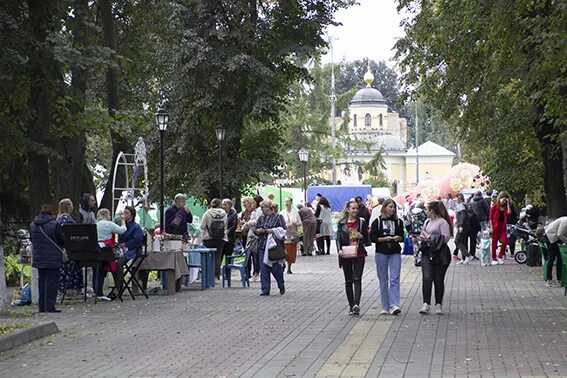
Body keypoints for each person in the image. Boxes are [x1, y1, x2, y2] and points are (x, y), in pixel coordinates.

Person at [370, 198, 404, 315]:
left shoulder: (398, 222)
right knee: (383, 280)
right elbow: (372, 238)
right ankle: (385, 306)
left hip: (395, 251)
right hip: (381, 252)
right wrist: (384, 239)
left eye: (393, 207)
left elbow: (402, 236)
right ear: (384, 207)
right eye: (390, 207)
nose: (392, 209)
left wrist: (398, 238)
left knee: (395, 278)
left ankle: (394, 305)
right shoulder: (377, 222)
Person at [336, 199, 370, 315]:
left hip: (359, 253)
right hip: (346, 254)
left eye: (357, 208)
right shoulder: (341, 223)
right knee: (348, 280)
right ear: (348, 209)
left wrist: (361, 236)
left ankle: (356, 304)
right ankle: (351, 305)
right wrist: (339, 250)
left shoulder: (361, 222)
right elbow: (338, 239)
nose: (355, 210)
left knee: (357, 278)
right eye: (353, 208)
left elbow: (367, 239)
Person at [418, 201, 452, 315]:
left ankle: (438, 303)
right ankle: (426, 303)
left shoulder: (443, 222)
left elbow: (446, 238)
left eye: (427, 209)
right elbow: (422, 234)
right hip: (427, 252)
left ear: (432, 210)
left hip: (440, 254)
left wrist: (430, 237)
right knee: (427, 277)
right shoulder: (427, 221)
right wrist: (425, 238)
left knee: (438, 279)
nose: (426, 211)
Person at [30, 204, 65, 313]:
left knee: (42, 281)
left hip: (39, 257)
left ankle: (42, 307)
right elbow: (62, 240)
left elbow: (32, 239)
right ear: (51, 213)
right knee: (52, 282)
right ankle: (50, 306)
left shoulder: (33, 225)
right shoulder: (54, 224)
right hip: (53, 258)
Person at [254, 200, 287, 295]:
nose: (262, 209)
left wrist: (268, 230)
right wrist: (258, 231)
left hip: (273, 246)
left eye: (263, 207)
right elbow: (255, 229)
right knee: (263, 267)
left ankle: (281, 285)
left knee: (275, 267)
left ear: (269, 207)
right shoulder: (261, 218)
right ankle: (265, 289)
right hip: (262, 244)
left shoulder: (278, 217)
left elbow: (283, 230)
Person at [95, 208, 126, 300]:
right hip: (107, 251)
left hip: (97, 250)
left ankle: (98, 291)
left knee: (99, 271)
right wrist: (123, 221)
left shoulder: (95, 225)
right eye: (109, 214)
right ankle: (118, 286)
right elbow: (122, 230)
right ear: (105, 214)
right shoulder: (109, 224)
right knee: (116, 265)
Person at [116, 206, 145, 294]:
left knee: (119, 262)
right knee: (111, 260)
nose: (124, 215)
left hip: (132, 250)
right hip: (122, 249)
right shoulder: (122, 226)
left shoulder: (136, 227)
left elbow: (137, 240)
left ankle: (119, 287)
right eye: (124, 213)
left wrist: (126, 244)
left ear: (131, 215)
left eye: (127, 213)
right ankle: (118, 284)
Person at [56, 199, 83, 295]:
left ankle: (64, 288)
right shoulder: (67, 220)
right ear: (68, 207)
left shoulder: (59, 219)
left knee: (65, 270)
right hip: (70, 249)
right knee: (70, 269)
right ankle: (70, 288)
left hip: (63, 249)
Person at [201, 198, 228, 280]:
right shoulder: (224, 213)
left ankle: (208, 275)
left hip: (208, 238)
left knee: (207, 256)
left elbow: (202, 226)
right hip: (220, 238)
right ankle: (216, 275)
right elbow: (225, 224)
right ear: (220, 204)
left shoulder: (207, 213)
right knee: (218, 256)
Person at [242, 195, 263, 281]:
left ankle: (256, 273)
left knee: (255, 254)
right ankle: (255, 272)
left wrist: (249, 222)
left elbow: (258, 220)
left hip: (254, 235)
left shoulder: (258, 211)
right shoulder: (255, 210)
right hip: (252, 234)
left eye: (254, 202)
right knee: (254, 254)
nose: (253, 204)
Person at [543, 216, 567, 287]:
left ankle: (559, 279)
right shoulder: (565, 221)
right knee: (552, 258)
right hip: (550, 237)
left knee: (560, 258)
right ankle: (549, 279)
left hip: (556, 237)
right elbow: (560, 234)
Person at [489, 191, 511, 265]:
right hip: (495, 227)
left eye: (505, 200)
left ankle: (500, 256)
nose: (503, 201)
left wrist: (508, 204)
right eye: (502, 199)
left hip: (502, 227)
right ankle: (494, 258)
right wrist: (491, 227)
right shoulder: (495, 207)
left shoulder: (505, 208)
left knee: (505, 241)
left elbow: (509, 214)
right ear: (499, 198)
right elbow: (490, 218)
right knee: (494, 243)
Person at [280, 197, 301, 274]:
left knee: (291, 252)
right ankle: (283, 264)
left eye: (288, 201)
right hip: (284, 234)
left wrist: (295, 224)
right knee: (284, 251)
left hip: (293, 234)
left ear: (291, 203)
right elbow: (279, 223)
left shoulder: (295, 213)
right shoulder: (282, 213)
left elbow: (300, 223)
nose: (286, 203)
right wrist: (285, 225)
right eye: (285, 201)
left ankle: (289, 267)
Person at [454, 194, 473, 264]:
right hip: (465, 226)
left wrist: (461, 225)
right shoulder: (464, 205)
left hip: (462, 226)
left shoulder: (461, 206)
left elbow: (463, 216)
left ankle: (467, 255)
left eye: (457, 198)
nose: (456, 200)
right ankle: (464, 258)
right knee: (463, 241)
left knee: (457, 241)